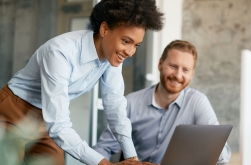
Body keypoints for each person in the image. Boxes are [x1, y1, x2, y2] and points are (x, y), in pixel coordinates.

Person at [0, 0, 163, 165]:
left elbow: (115, 106)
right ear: (105, 29)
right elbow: (59, 125)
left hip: (44, 118)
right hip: (12, 111)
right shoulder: (60, 53)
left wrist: (132, 158)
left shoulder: (112, 56)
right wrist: (104, 163)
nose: (130, 52)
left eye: (136, 45)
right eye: (126, 41)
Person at [93, 40, 231, 164]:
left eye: (185, 70)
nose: (178, 75)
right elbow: (103, 148)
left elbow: (223, 156)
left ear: (192, 74)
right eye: (173, 66)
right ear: (160, 64)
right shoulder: (132, 102)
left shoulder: (197, 102)